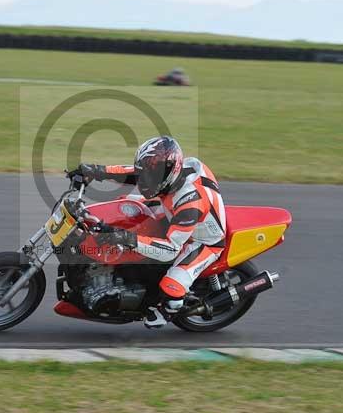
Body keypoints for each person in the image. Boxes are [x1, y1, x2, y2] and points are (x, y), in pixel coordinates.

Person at [69, 136, 226, 328]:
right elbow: (134, 172)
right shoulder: (168, 174)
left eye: (150, 176)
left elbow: (170, 249)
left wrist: (126, 237)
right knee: (123, 206)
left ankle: (167, 311)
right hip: (170, 211)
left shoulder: (190, 202)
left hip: (201, 241)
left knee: (172, 286)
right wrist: (94, 171)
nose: (144, 181)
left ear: (168, 173)